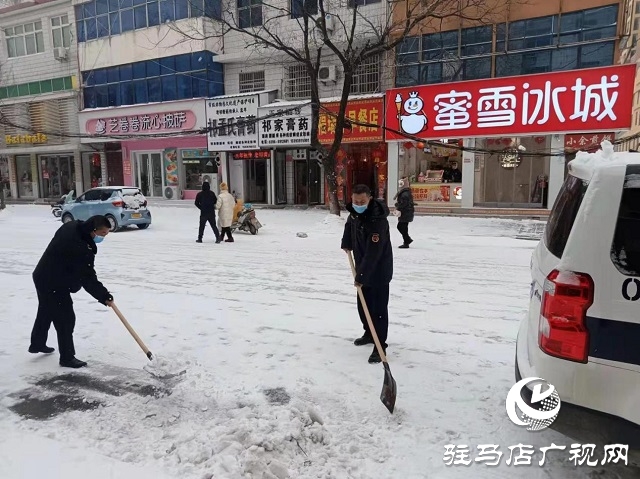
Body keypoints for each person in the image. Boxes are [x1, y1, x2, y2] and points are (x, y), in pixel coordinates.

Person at [30, 215, 114, 368]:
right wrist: (103, 295)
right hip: (52, 281)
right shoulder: (79, 247)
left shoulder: (73, 226)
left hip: (42, 274)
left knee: (46, 310)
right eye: (102, 234)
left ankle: (37, 343)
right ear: (93, 230)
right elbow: (87, 277)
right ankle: (67, 357)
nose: (103, 237)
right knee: (65, 318)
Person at [341, 184, 393, 364]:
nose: (358, 204)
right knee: (363, 306)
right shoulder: (355, 213)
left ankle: (380, 345)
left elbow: (374, 253)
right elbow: (349, 226)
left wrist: (361, 276)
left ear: (370, 199)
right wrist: (346, 242)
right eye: (355, 201)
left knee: (378, 310)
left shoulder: (377, 220)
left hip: (378, 270)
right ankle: (369, 333)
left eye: (362, 201)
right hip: (362, 265)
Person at [394, 177, 415, 248]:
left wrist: (398, 206)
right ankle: (407, 240)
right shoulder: (406, 192)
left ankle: (407, 240)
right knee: (403, 227)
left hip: (405, 212)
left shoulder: (404, 193)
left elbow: (404, 203)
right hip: (406, 212)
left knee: (401, 226)